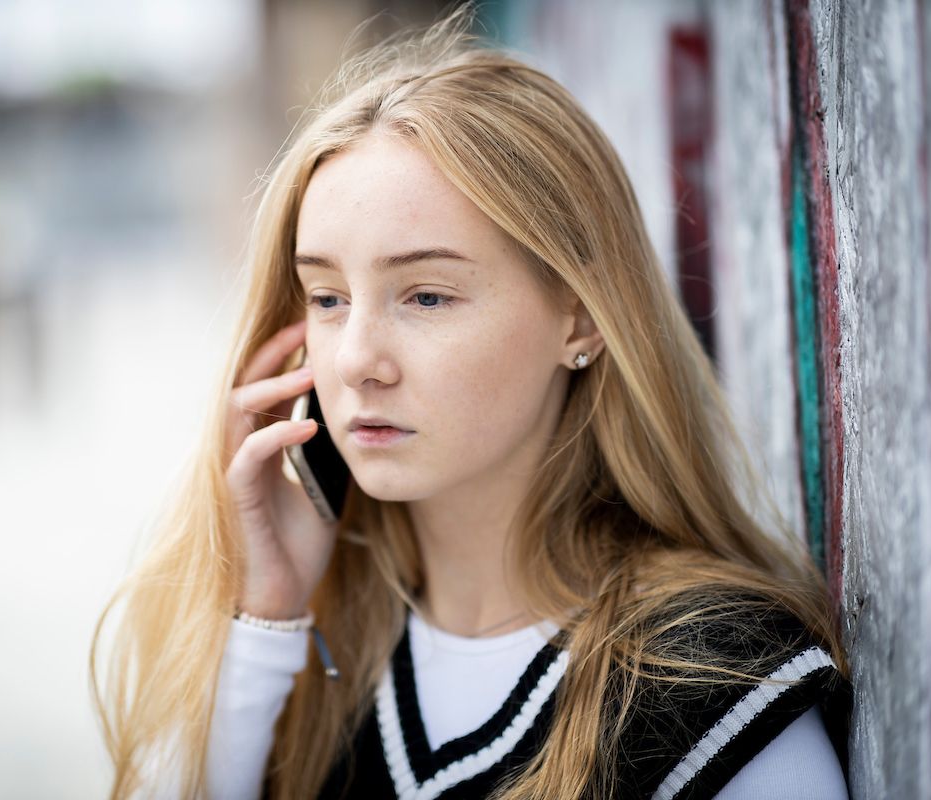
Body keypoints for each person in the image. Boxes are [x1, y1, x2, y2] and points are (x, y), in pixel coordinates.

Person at [90, 5, 853, 799]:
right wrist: (263, 619)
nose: (355, 361)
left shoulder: (718, 687)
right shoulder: (311, 653)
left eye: (425, 296)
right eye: (325, 298)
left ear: (581, 315)